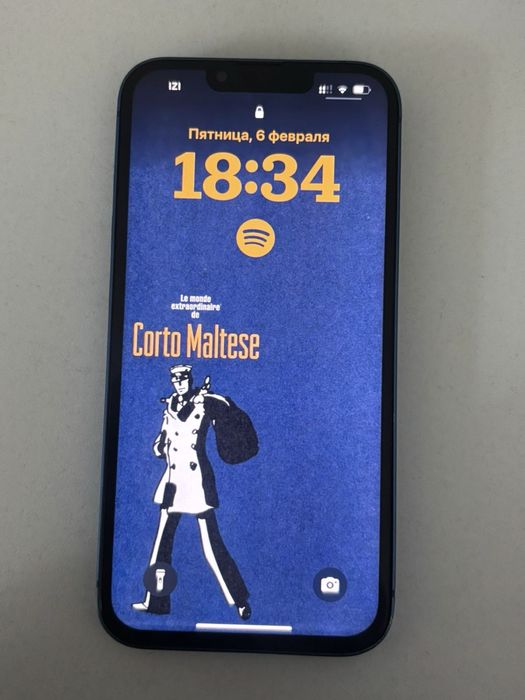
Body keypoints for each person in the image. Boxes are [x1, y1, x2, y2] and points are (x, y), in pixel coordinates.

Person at [132, 365, 258, 620]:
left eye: (183, 380)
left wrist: (215, 404)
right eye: (176, 380)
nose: (179, 384)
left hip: (196, 479)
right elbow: (162, 440)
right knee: (161, 545)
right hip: (173, 481)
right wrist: (159, 446)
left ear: (190, 380)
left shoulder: (204, 402)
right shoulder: (169, 406)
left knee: (212, 545)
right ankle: (155, 601)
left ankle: (240, 600)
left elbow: (226, 413)